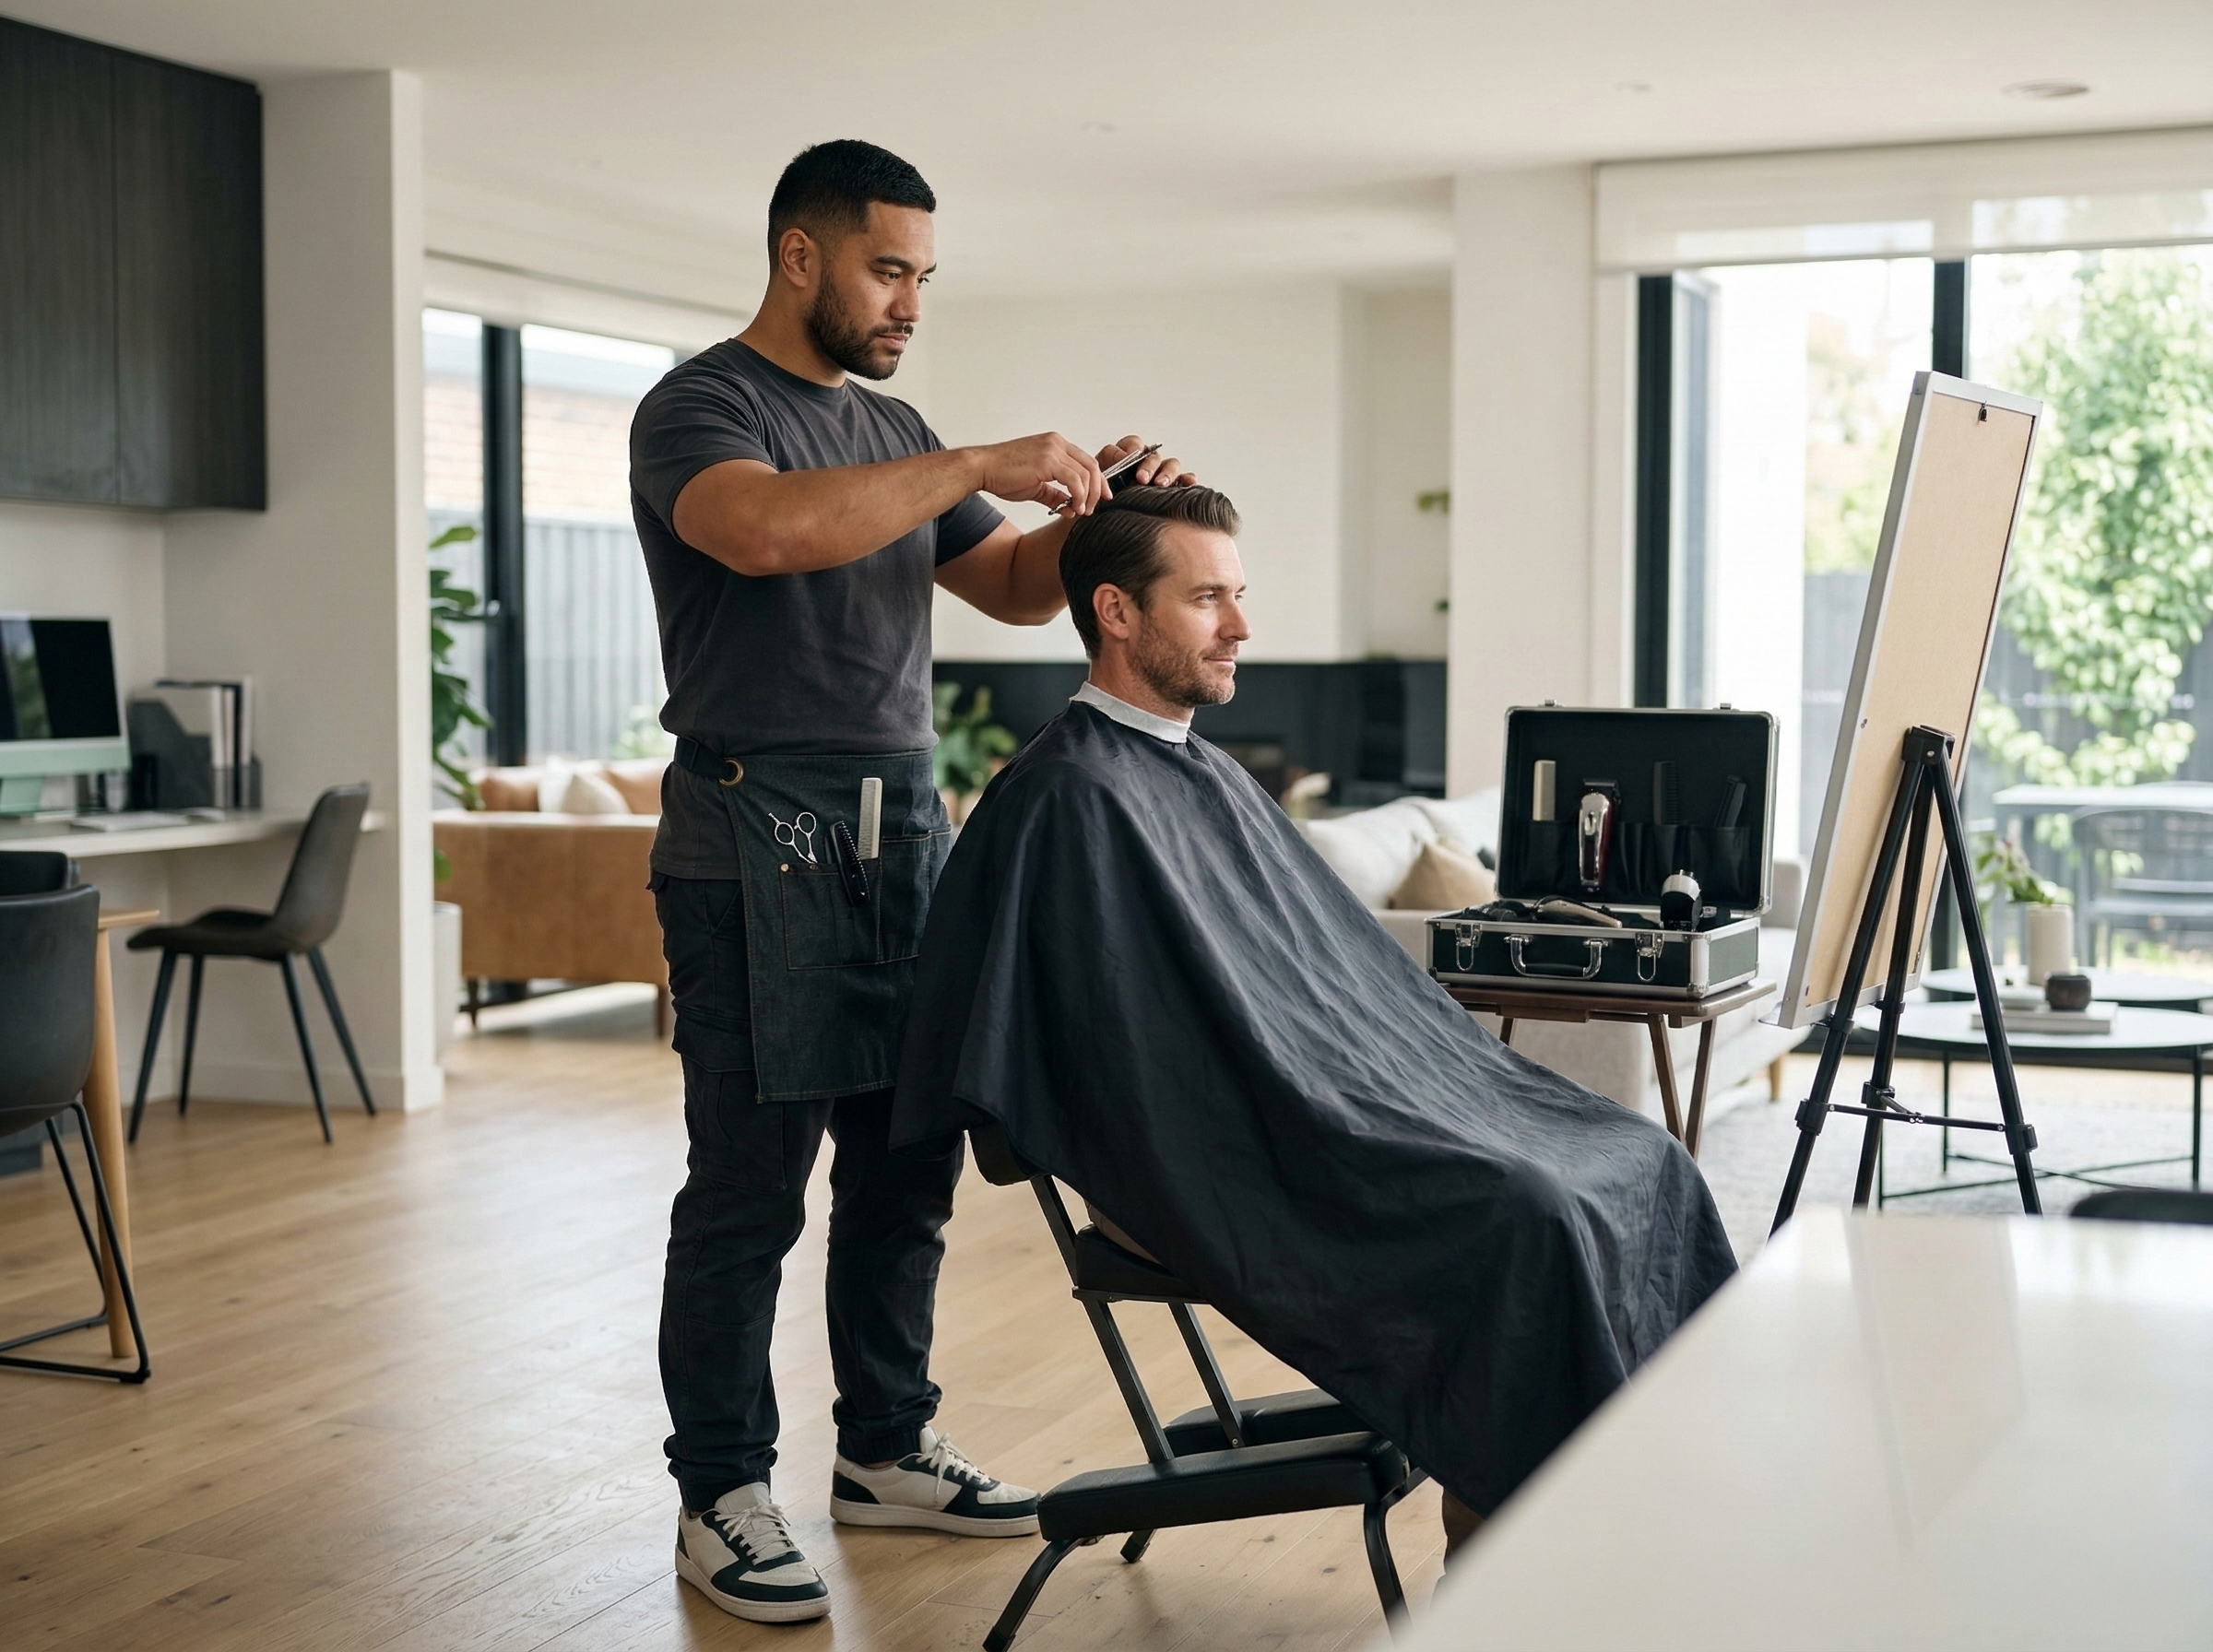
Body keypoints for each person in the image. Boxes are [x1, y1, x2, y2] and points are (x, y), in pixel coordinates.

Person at [891, 486, 1739, 1550]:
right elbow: (1138, 1054)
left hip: (1320, 1108)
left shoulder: (1199, 771)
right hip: (1238, 1147)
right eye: (1207, 600)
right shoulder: (1070, 798)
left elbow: (1327, 984)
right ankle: (1502, 1554)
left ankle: (1644, 1503)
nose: (1242, 627)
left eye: (1238, 596)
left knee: (1640, 1154)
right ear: (1114, 611)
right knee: (1531, 1210)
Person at [628, 139, 1196, 1623]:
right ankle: (722, 1489)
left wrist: (1098, 519)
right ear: (801, 256)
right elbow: (762, 532)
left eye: (926, 279)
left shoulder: (892, 423)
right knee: (751, 1189)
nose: (910, 304)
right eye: (890, 271)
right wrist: (976, 461)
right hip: (754, 835)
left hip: (898, 834)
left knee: (906, 1167)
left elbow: (1009, 586)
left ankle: (881, 1447)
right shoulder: (704, 408)